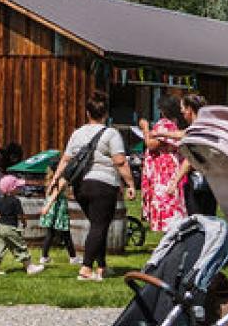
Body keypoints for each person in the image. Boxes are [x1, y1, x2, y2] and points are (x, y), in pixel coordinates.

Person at [63, 91, 134, 282]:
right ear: (106, 114)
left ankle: (101, 267)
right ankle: (86, 269)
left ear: (88, 113)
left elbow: (66, 160)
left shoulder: (77, 133)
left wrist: (56, 183)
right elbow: (120, 161)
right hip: (103, 185)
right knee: (99, 226)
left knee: (97, 225)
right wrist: (130, 184)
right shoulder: (111, 134)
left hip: (80, 187)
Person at [139, 101, 186, 232]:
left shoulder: (164, 124)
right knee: (172, 199)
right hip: (172, 164)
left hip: (164, 168)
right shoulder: (175, 125)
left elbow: (151, 144)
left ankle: (168, 232)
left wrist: (145, 128)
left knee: (165, 199)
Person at [30, 157, 75, 273]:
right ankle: (73, 258)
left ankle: (44, 257)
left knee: (51, 233)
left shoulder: (50, 179)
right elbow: (55, 194)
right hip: (57, 209)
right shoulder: (60, 179)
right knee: (65, 233)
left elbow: (51, 194)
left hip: (52, 209)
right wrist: (47, 207)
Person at [0, 174, 31, 275]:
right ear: (11, 189)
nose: (19, 189)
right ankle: (29, 267)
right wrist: (24, 222)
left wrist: (2, 217)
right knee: (19, 246)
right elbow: (20, 214)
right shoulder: (16, 201)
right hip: (10, 228)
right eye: (17, 187)